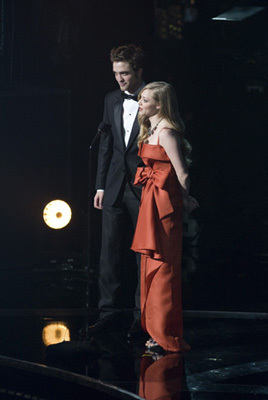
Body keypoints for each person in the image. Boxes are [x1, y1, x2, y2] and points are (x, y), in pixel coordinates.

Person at [131, 81, 199, 352]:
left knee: (164, 267)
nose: (140, 103)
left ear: (159, 104)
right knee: (150, 263)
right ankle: (154, 330)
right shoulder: (152, 129)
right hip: (152, 199)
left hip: (165, 203)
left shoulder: (167, 132)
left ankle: (163, 332)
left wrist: (183, 199)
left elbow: (182, 172)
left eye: (145, 100)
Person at [89, 44, 146, 337]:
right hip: (112, 186)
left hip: (142, 185)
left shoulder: (154, 96)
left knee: (143, 255)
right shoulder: (111, 98)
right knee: (108, 253)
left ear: (138, 70)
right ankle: (108, 313)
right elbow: (106, 146)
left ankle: (142, 319)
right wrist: (100, 185)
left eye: (125, 73)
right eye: (116, 73)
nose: (120, 79)